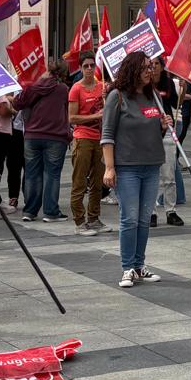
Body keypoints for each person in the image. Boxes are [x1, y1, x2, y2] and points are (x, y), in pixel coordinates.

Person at [101, 49, 169, 288]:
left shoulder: (153, 97)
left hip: (151, 165)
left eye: (152, 67)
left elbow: (152, 132)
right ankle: (127, 267)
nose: (151, 71)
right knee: (129, 218)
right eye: (146, 67)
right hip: (127, 167)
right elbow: (107, 135)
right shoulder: (117, 96)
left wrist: (162, 126)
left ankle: (139, 265)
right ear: (132, 69)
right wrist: (110, 168)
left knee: (143, 219)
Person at [16, 56, 71, 223]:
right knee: (52, 175)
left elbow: (18, 103)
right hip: (55, 136)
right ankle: (50, 211)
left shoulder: (35, 86)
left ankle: (29, 211)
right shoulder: (63, 89)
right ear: (63, 72)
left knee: (32, 174)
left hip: (32, 135)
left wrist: (37, 81)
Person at [68, 56, 106, 233]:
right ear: (81, 68)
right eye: (86, 66)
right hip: (83, 138)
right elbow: (72, 118)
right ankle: (79, 221)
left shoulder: (102, 87)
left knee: (98, 181)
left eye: (92, 65)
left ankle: (94, 217)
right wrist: (95, 117)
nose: (90, 69)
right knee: (79, 181)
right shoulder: (76, 89)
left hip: (100, 138)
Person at [154, 66, 186, 226]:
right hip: (149, 131)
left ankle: (170, 211)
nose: (153, 68)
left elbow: (176, 103)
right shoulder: (140, 85)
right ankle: (151, 212)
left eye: (156, 64)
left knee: (169, 174)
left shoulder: (167, 83)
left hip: (167, 129)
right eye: (149, 65)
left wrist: (183, 87)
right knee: (152, 176)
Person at [0, 93, 25, 210]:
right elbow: (3, 111)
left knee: (11, 164)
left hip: (6, 132)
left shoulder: (4, 94)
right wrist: (15, 111)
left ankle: (3, 197)